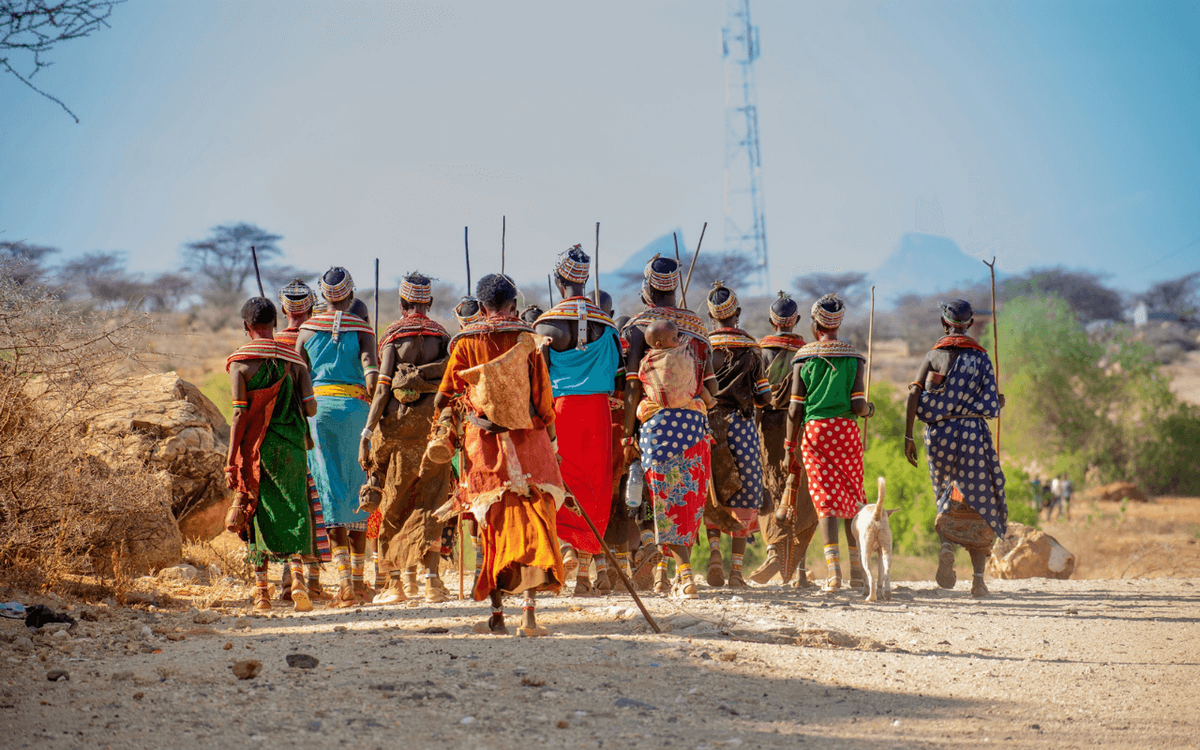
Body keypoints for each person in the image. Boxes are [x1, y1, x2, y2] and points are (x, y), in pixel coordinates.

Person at [434, 273, 566, 635]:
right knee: (536, 518)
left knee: (490, 522)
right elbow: (542, 397)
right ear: (512, 304)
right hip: (530, 440)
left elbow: (446, 394)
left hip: (483, 444)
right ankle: (529, 614)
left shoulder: (464, 342)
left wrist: (448, 423)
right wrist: (551, 438)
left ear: (482, 305)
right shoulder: (527, 338)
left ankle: (496, 615)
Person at [623, 256, 716, 599]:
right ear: (675, 286)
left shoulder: (637, 327)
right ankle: (679, 573)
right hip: (694, 425)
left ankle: (671, 573)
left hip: (656, 425)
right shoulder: (697, 329)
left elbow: (631, 386)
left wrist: (626, 432)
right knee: (686, 498)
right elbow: (712, 388)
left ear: (647, 287)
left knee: (656, 497)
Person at [534, 246, 624, 596]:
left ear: (559, 281)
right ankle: (584, 575)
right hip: (599, 413)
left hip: (560, 412)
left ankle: (566, 551)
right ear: (584, 280)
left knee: (559, 482)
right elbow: (619, 378)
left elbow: (538, 381)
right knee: (595, 485)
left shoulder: (545, 324)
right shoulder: (607, 325)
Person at [360, 272, 453, 605]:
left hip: (396, 428)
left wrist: (368, 430)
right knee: (432, 501)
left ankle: (395, 584)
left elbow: (383, 387)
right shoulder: (443, 336)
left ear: (402, 303)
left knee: (392, 501)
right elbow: (449, 386)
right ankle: (432, 583)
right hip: (432, 429)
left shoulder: (393, 336)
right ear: (428, 302)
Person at [904, 299, 1006, 597]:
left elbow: (914, 393)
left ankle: (947, 545)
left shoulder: (935, 355)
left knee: (946, 493)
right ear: (970, 324)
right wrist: (996, 402)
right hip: (973, 434)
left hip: (940, 435)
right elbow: (989, 405)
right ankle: (977, 580)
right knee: (978, 499)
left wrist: (907, 437)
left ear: (943, 322)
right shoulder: (981, 358)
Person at [225, 297, 318, 612]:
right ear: (275, 324)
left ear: (246, 326)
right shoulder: (294, 359)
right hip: (291, 447)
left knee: (256, 512)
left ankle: (261, 592)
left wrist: (230, 460)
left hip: (256, 450)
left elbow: (239, 415)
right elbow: (310, 407)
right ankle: (299, 581)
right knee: (295, 509)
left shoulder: (239, 363)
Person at [294, 267, 379, 607]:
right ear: (350, 293)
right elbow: (372, 375)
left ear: (323, 295)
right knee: (358, 490)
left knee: (330, 490)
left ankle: (344, 585)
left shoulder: (306, 329)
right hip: (357, 411)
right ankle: (359, 585)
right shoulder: (363, 329)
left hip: (319, 414)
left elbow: (298, 377)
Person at [784, 293, 873, 593]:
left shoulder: (804, 358)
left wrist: (787, 448)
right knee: (853, 498)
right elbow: (859, 406)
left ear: (814, 325)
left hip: (816, 434)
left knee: (826, 502)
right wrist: (870, 410)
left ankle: (834, 573)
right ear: (837, 323)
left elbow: (795, 409)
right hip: (846, 434)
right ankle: (857, 574)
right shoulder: (854, 357)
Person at [703, 282, 770, 588]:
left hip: (708, 423)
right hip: (742, 426)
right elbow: (764, 397)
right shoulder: (753, 349)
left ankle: (714, 553)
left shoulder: (702, 346)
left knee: (712, 490)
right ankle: (736, 572)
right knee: (746, 492)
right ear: (737, 313)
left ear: (710, 314)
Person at [750, 292, 818, 587]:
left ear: (771, 321)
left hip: (767, 425)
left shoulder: (758, 351)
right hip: (800, 426)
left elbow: (756, 397)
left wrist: (752, 435)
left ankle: (773, 552)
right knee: (800, 492)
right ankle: (798, 571)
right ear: (797, 321)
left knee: (772, 487)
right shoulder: (808, 353)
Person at [273, 279, 331, 602]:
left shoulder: (273, 344)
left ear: (284, 309)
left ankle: (287, 578)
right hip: (316, 425)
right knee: (316, 501)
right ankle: (314, 579)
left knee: (289, 500)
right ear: (310, 308)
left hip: (283, 432)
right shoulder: (317, 338)